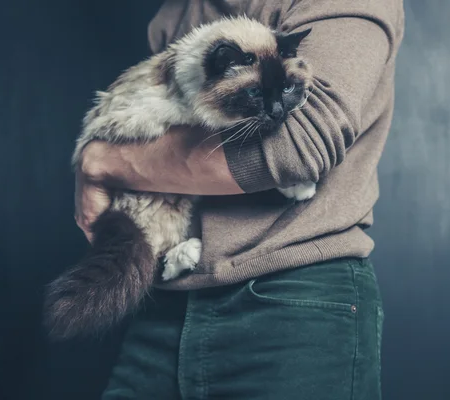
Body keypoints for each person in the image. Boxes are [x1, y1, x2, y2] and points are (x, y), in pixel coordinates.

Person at [75, 0, 404, 398]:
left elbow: (296, 150)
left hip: (294, 298)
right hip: (169, 292)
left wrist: (100, 162)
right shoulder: (176, 12)